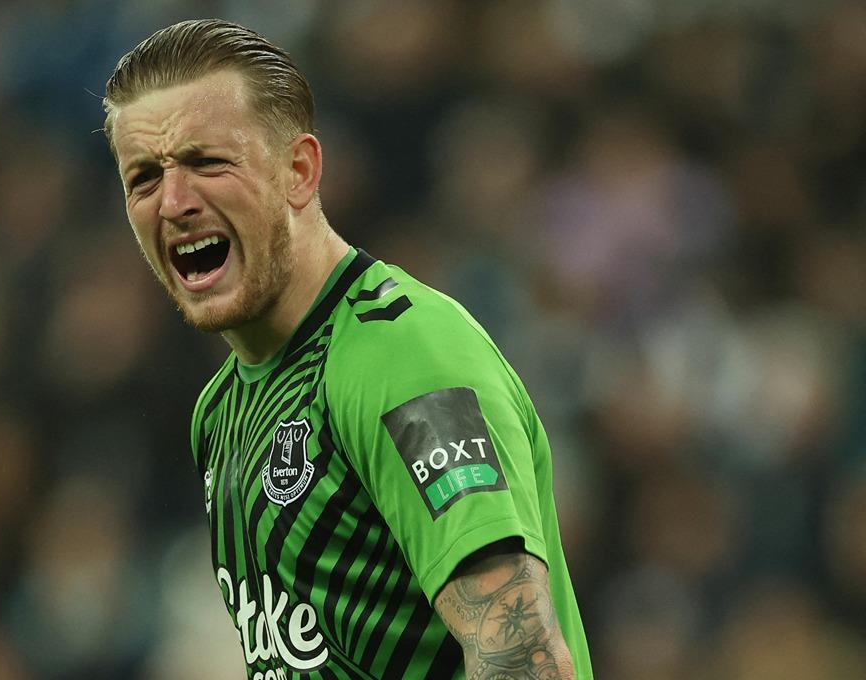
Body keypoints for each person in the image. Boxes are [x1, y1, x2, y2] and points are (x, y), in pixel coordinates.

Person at [103, 19, 592, 679]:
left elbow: (520, 657)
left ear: (298, 170)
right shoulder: (220, 412)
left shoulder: (404, 354)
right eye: (144, 178)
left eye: (207, 162)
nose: (175, 202)